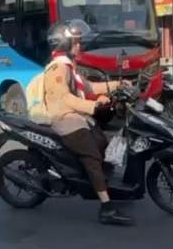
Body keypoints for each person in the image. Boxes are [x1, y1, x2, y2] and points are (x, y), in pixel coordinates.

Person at [43, 21, 132, 226]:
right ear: (64, 44)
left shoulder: (70, 67)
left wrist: (117, 85)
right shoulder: (58, 68)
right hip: (66, 120)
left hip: (78, 118)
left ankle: (103, 184)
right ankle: (106, 209)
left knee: (103, 143)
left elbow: (90, 87)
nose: (79, 46)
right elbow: (66, 99)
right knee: (92, 155)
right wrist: (93, 107)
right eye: (75, 42)